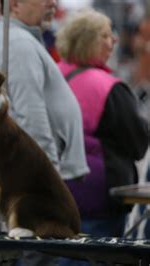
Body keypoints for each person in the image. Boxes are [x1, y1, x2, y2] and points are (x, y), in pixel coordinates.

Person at [56, 8, 149, 238]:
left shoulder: (53, 76)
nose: (114, 41)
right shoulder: (108, 88)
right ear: (89, 41)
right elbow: (138, 143)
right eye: (106, 36)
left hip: (54, 189)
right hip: (97, 196)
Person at [0, 0, 89, 181]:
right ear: (15, 5)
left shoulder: (15, 38)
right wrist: (48, 178)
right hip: (36, 177)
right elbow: (32, 117)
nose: (53, 3)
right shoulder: (18, 43)